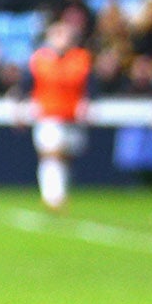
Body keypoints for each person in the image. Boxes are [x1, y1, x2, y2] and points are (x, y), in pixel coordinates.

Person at [20, 14, 90, 212]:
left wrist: (87, 104)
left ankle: (59, 193)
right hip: (48, 115)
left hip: (72, 117)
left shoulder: (80, 58)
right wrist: (20, 109)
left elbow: (89, 87)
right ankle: (52, 196)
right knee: (51, 155)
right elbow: (26, 86)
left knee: (66, 157)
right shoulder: (40, 59)